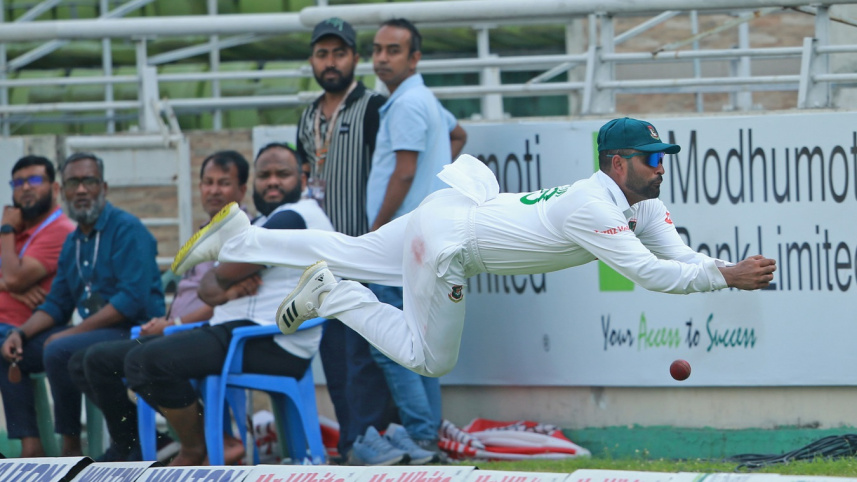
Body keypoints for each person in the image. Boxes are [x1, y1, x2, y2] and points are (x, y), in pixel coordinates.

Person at [171, 117, 777, 379]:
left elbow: (679, 254)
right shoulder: (594, 206)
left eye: (663, 158)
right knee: (431, 360)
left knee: (349, 246)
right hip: (453, 245)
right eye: (652, 159)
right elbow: (648, 273)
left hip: (450, 208)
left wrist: (722, 268)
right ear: (618, 163)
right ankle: (332, 297)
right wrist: (726, 279)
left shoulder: (640, 202)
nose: (661, 167)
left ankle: (244, 235)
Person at [76, 144, 333, 466]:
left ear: (303, 177)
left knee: (147, 361)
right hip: (235, 330)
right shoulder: (265, 221)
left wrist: (224, 281)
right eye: (265, 175)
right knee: (101, 359)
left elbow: (216, 281)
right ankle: (158, 443)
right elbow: (211, 288)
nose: (272, 182)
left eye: (282, 174)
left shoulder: (298, 215)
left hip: (270, 340)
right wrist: (224, 283)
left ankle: (197, 448)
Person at [67, 150, 253, 462]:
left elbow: (222, 302)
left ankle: (206, 441)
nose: (214, 190)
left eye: (224, 183)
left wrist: (174, 325)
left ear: (242, 190)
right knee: (85, 361)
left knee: (123, 359)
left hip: (208, 334)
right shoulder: (209, 231)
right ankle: (142, 441)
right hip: (181, 330)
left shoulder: (243, 234)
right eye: (207, 182)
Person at [0, 152, 164, 457]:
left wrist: (71, 333)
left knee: (60, 348)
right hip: (97, 335)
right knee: (14, 352)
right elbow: (56, 304)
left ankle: (72, 449)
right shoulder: (74, 242)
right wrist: (20, 334)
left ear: (104, 187)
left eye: (89, 181)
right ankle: (31, 448)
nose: (81, 190)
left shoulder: (127, 229)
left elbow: (131, 301)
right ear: (64, 190)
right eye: (73, 182)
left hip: (137, 329)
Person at [296, 17, 404, 466]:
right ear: (312, 61)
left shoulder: (375, 107)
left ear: (354, 58)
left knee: (368, 351)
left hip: (365, 250)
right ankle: (352, 441)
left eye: (339, 53)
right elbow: (306, 175)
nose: (330, 61)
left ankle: (375, 435)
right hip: (323, 254)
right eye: (322, 53)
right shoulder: (307, 115)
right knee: (336, 354)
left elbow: (396, 170)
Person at [363, 17, 470, 461]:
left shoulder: (407, 104)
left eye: (393, 50)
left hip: (402, 239)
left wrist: (376, 228)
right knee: (422, 342)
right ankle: (425, 436)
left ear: (414, 58)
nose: (382, 58)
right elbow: (457, 133)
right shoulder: (420, 97)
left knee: (392, 345)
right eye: (378, 49)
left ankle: (423, 436)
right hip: (426, 237)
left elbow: (404, 170)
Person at [0, 156, 76, 458]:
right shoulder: (17, 231)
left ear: (54, 187)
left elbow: (16, 276)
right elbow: (14, 280)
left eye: (34, 180)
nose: (25, 188)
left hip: (33, 329)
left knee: (6, 346)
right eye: (18, 183)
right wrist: (10, 285)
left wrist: (5, 228)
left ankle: (31, 448)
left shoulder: (59, 230)